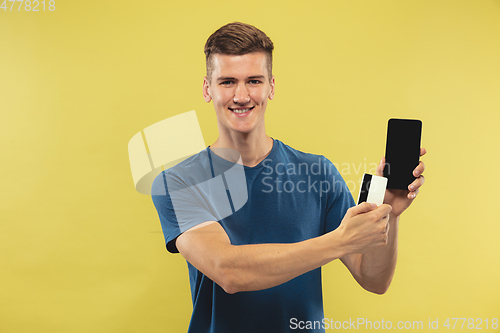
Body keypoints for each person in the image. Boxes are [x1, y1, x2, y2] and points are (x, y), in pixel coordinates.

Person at [151, 22, 426, 333]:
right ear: (207, 89)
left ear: (271, 86)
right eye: (227, 82)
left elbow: (374, 279)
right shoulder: (178, 182)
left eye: (254, 81)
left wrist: (390, 214)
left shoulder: (318, 173)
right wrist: (339, 240)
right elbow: (228, 271)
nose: (241, 95)